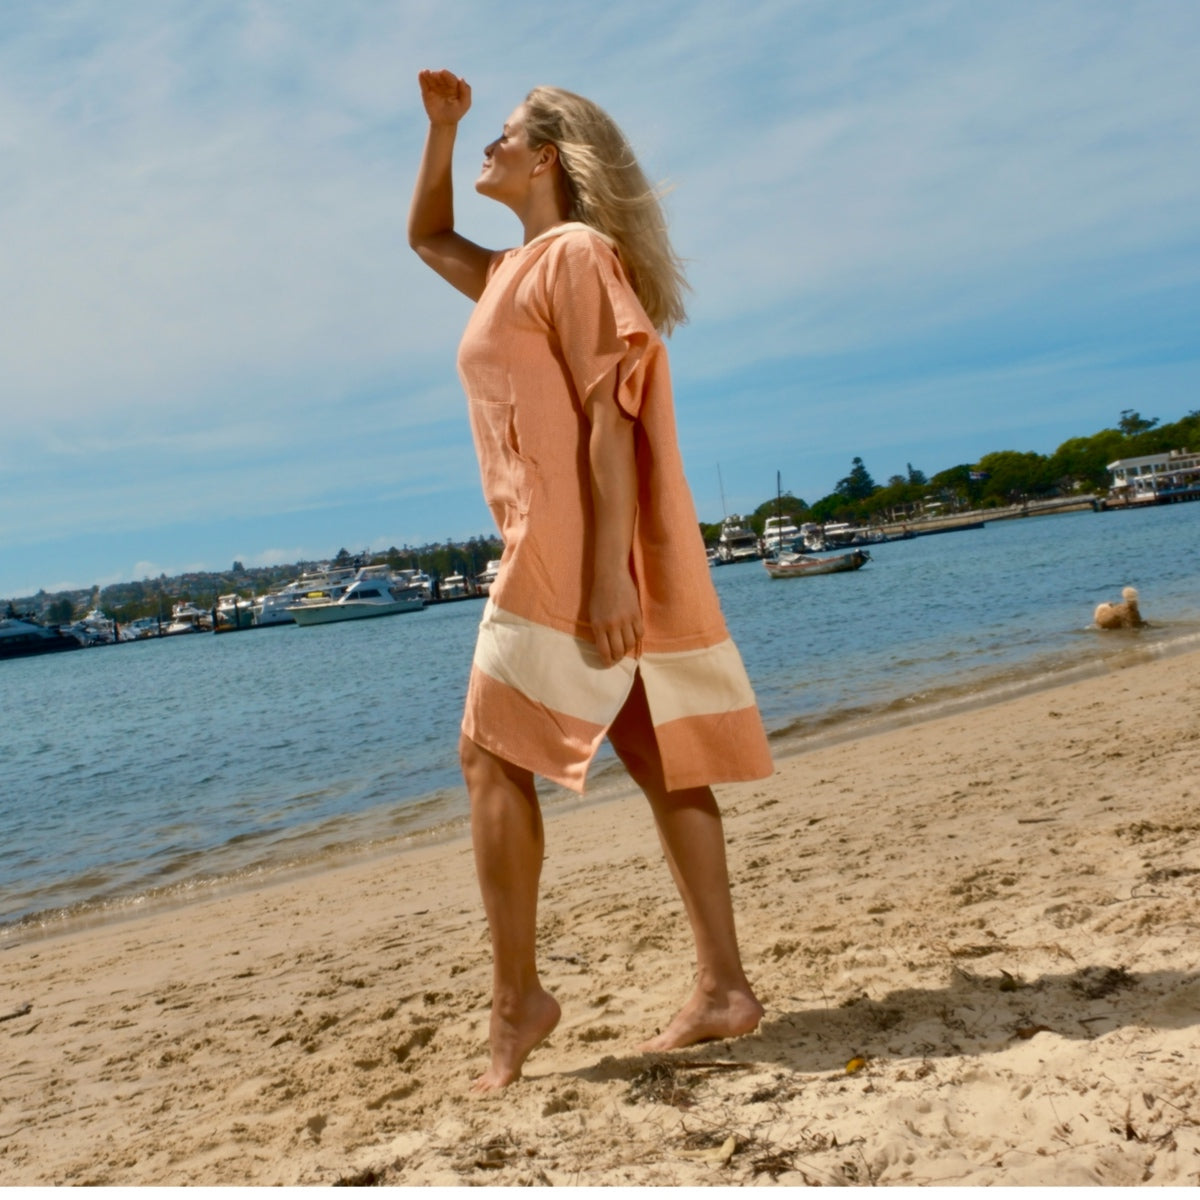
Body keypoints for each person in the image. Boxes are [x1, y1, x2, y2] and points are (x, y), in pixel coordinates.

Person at [409, 69, 774, 1092]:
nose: (489, 147)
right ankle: (724, 988)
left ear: (546, 159)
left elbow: (613, 424)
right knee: (661, 758)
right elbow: (425, 237)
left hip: (567, 555)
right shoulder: (514, 269)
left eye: (501, 133)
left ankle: (516, 1000)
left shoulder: (573, 254)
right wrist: (441, 132)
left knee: (488, 756)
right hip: (568, 547)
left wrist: (610, 576)